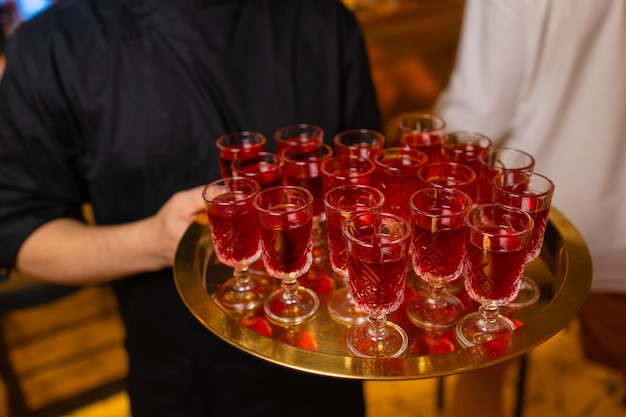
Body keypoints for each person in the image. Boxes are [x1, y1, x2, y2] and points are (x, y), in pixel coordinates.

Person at [0, 1, 382, 416]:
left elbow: (368, 181)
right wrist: (153, 242)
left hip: (326, 368)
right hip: (182, 377)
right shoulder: (50, 47)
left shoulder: (324, 19)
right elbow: (18, 230)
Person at [433, 0, 626, 415]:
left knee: (483, 361)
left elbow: (478, 115)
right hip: (616, 220)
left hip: (537, 220)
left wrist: (426, 149)